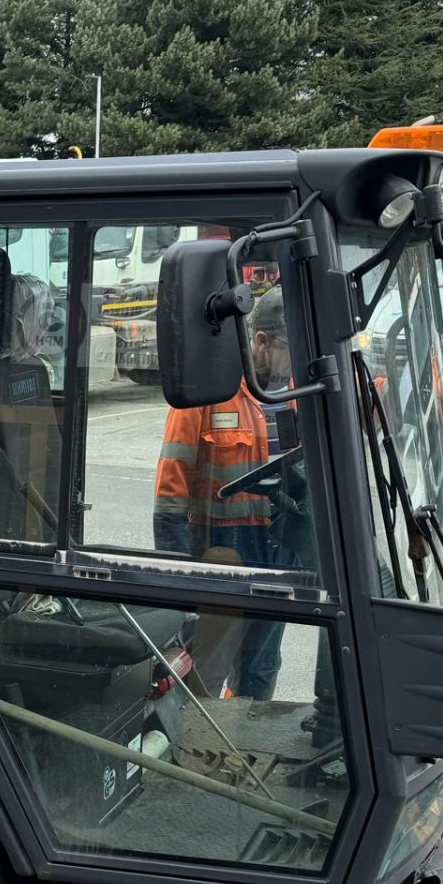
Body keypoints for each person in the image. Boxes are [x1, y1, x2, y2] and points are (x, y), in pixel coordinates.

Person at [151, 285, 292, 700]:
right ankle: (195, 751)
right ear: (261, 342)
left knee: (262, 666)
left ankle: (244, 746)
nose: (296, 361)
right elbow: (170, 492)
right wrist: (178, 577)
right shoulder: (206, 392)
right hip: (219, 553)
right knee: (205, 670)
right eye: (289, 348)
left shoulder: (297, 392)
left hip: (277, 549)